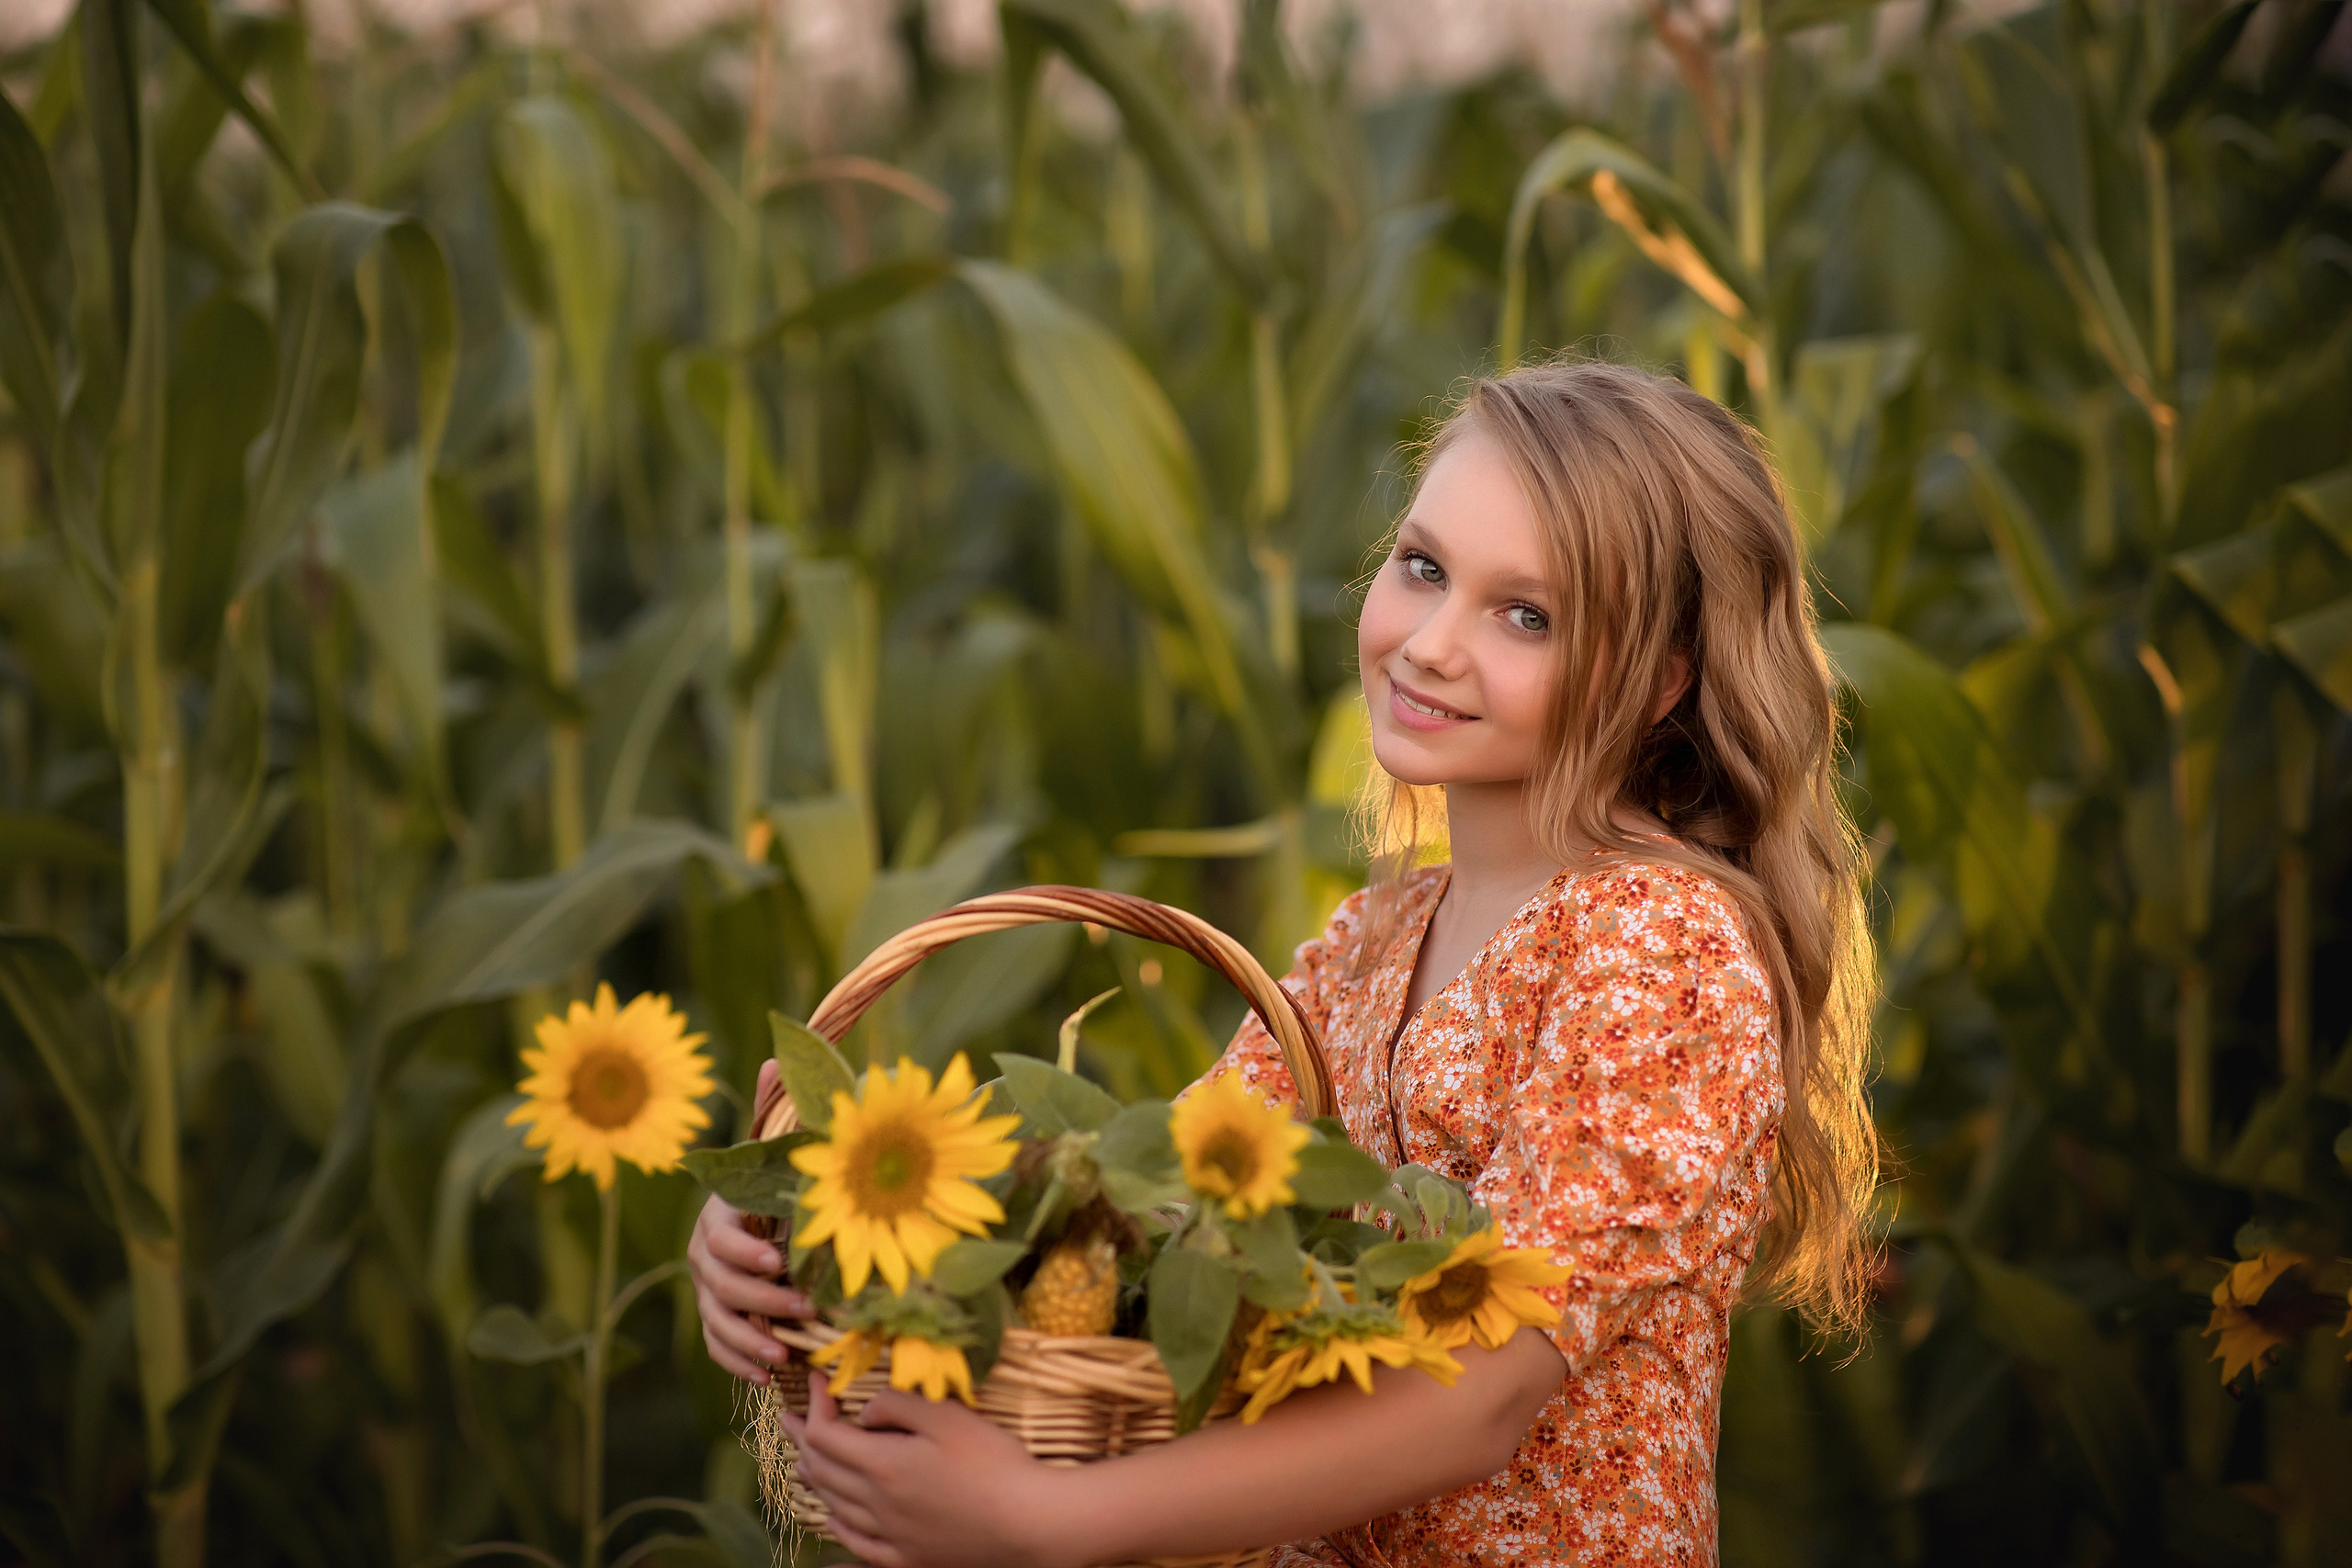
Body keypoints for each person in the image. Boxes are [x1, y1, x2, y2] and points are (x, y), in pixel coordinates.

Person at [687, 359, 1880, 1567]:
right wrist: (810, 1224)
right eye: (1424, 568)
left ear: (1663, 679)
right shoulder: (1371, 943)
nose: (1431, 644)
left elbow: (1484, 1396)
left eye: (1528, 616)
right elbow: (1139, 1226)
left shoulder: (1660, 950)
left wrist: (1053, 1522)